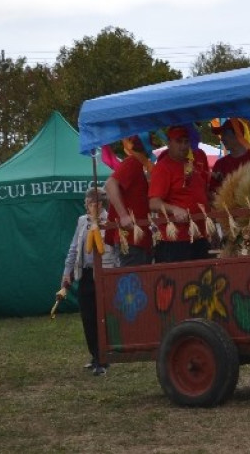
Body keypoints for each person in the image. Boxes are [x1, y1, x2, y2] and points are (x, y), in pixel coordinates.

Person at [61, 188, 116, 376]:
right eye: (86, 202)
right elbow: (74, 248)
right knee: (88, 316)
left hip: (103, 274)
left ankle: (103, 359)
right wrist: (67, 272)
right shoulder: (82, 221)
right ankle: (94, 355)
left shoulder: (109, 222)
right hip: (84, 274)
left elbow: (116, 250)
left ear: (98, 204)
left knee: (101, 317)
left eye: (89, 202)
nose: (86, 205)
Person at [149, 125, 212, 262]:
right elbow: (153, 203)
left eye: (186, 141)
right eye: (178, 141)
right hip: (176, 239)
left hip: (199, 236)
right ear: (169, 143)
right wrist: (174, 209)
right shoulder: (163, 167)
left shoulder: (191, 164)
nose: (183, 146)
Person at [103, 135, 153, 267]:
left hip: (139, 238)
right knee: (132, 278)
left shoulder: (142, 165)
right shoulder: (133, 162)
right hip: (130, 238)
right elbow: (110, 184)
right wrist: (124, 216)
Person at [208, 118, 250, 195]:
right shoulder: (220, 164)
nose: (222, 139)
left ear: (237, 135)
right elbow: (212, 193)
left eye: (225, 135)